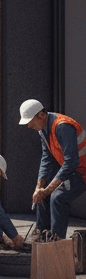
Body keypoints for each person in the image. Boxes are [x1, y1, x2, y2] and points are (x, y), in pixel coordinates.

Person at [19, 99, 86, 239]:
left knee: (58, 197)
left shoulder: (62, 126)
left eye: (31, 121)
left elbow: (71, 162)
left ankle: (56, 241)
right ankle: (42, 233)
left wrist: (48, 189)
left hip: (82, 171)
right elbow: (47, 159)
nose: (29, 126)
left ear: (41, 116)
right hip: (74, 169)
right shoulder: (43, 129)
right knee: (43, 194)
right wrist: (39, 188)